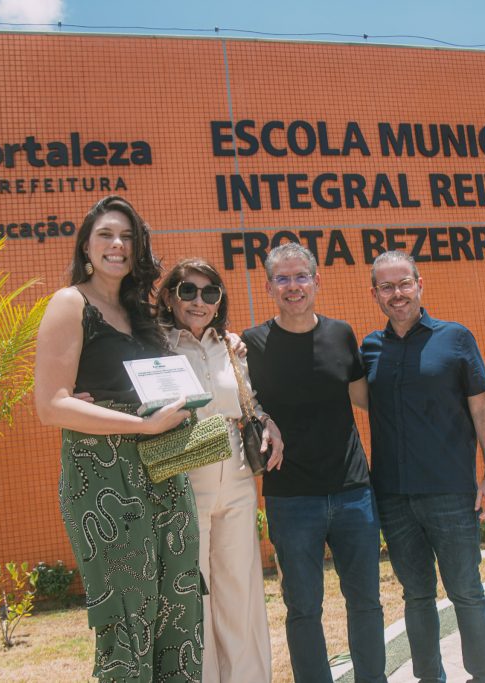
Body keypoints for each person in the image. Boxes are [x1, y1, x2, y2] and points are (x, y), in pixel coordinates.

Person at [34, 195, 203, 682]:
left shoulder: (140, 309)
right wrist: (138, 424)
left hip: (165, 471)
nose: (117, 245)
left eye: (128, 237)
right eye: (106, 234)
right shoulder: (71, 303)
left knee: (179, 605)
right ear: (86, 245)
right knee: (126, 614)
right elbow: (50, 405)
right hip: (104, 477)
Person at [242, 242, 388, 683]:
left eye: (300, 276)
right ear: (268, 287)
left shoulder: (341, 334)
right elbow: (240, 404)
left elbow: (366, 399)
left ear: (316, 281)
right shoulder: (251, 344)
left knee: (366, 600)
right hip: (290, 497)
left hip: (352, 492)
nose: (293, 286)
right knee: (303, 608)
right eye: (282, 279)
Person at [360, 250, 485, 683]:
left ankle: (483, 676)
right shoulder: (369, 349)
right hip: (394, 497)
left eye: (404, 283)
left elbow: (482, 408)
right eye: (387, 286)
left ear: (420, 285)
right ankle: (429, 678)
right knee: (416, 596)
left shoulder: (456, 337)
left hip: (450, 493)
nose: (397, 293)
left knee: (466, 591)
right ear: (375, 295)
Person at [154, 257, 283, 683]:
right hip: (183, 479)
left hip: (238, 476)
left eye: (210, 293)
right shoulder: (153, 344)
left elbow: (250, 403)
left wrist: (269, 423)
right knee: (193, 592)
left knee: (240, 591)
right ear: (170, 296)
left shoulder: (230, 345)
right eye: (187, 291)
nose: (199, 301)